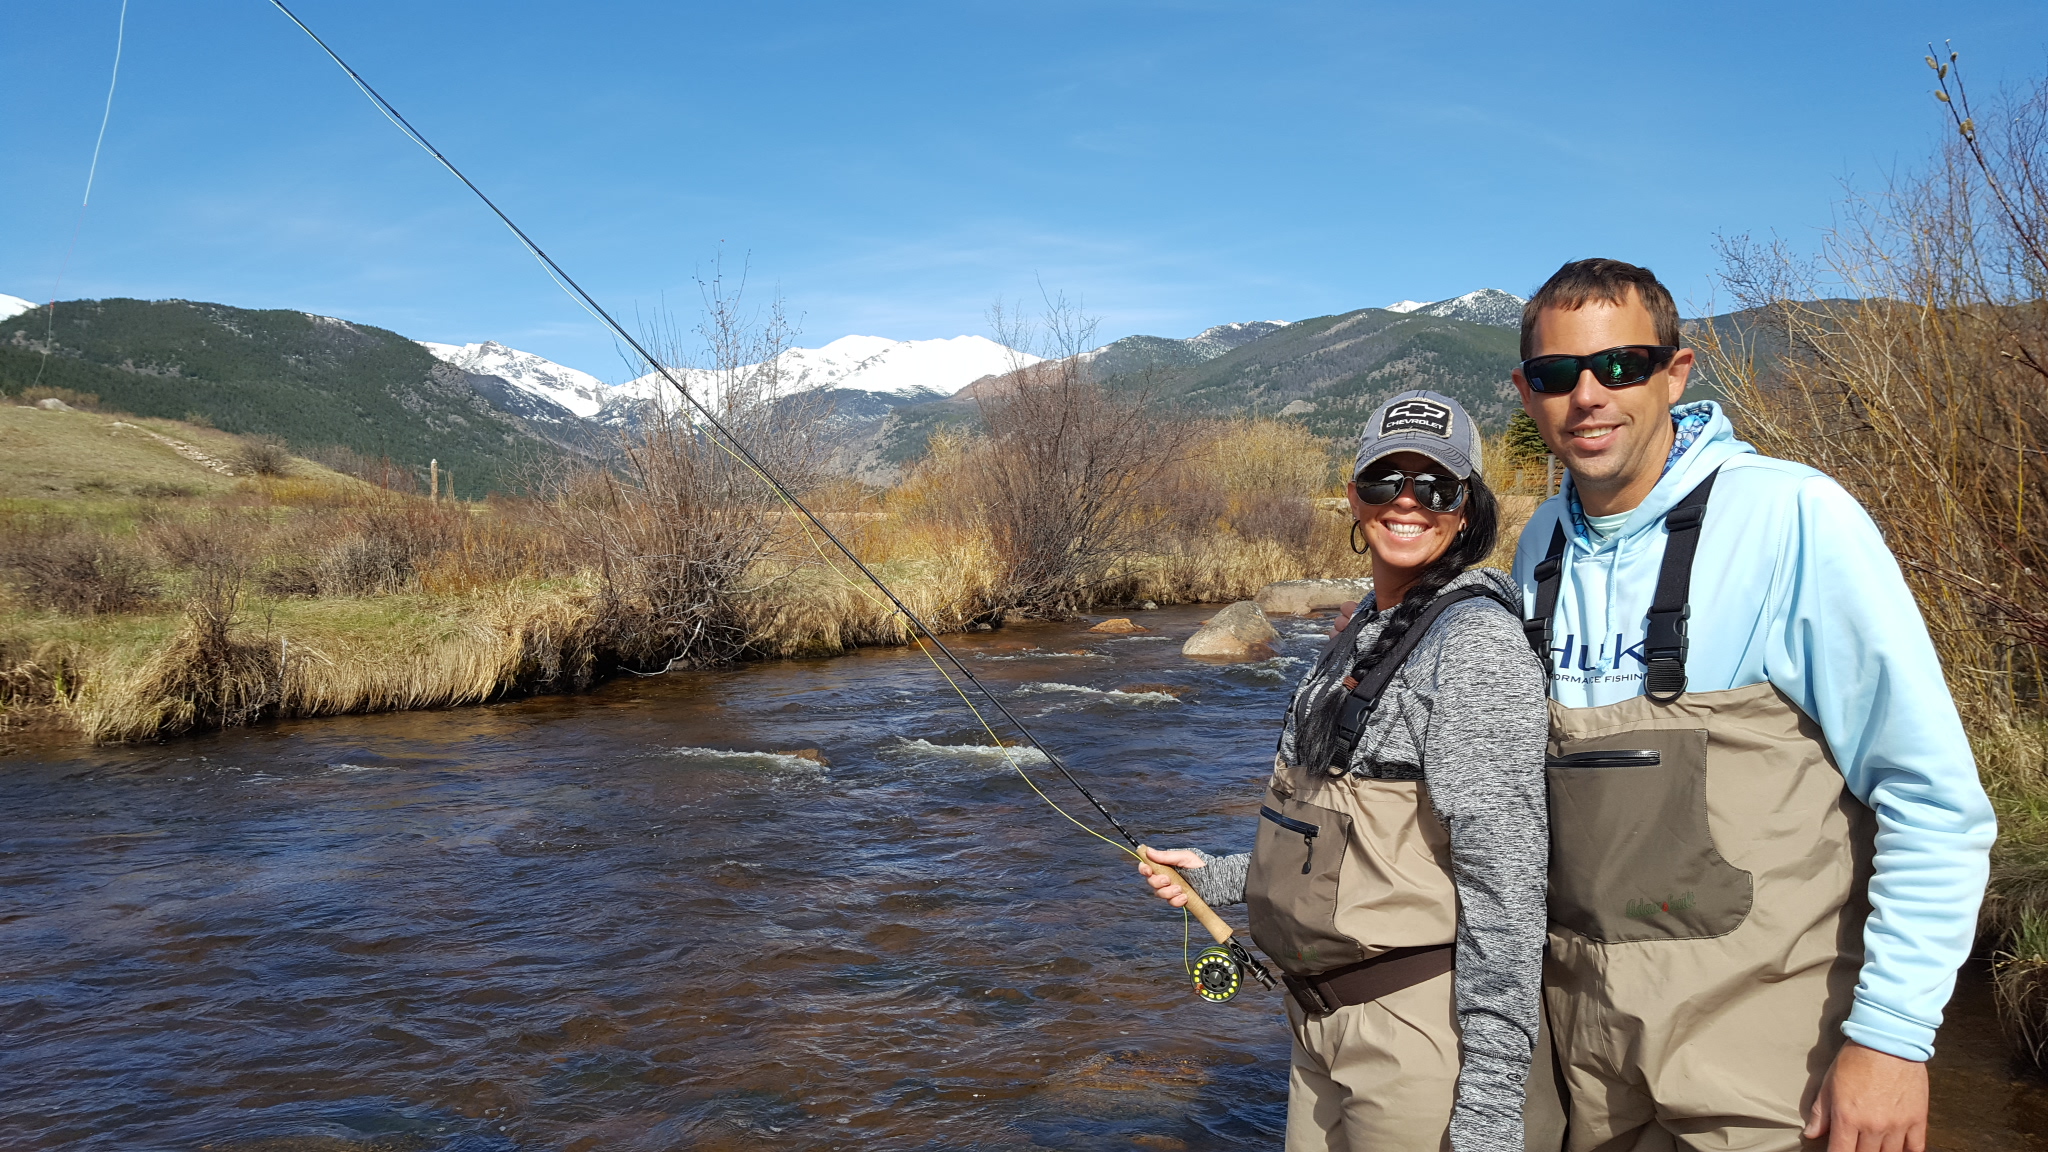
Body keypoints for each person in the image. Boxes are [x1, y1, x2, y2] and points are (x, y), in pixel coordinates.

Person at [1508, 258, 1996, 1152]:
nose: (1588, 395)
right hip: (1590, 1054)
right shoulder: (1538, 544)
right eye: (1556, 374)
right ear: (1527, 393)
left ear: (1676, 373)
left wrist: (1890, 1037)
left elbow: (1932, 802)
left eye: (1621, 366)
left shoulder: (1795, 515)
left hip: (1770, 1059)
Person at [1138, 389, 1552, 1152]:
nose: (1407, 502)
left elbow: (1508, 887)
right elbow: (1339, 844)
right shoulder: (1363, 626)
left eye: (1435, 485)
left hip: (1414, 1038)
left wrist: (1490, 1114)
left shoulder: (1475, 650)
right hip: (1317, 1028)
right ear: (1354, 500)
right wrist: (1218, 876)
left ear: (1469, 508)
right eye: (1382, 481)